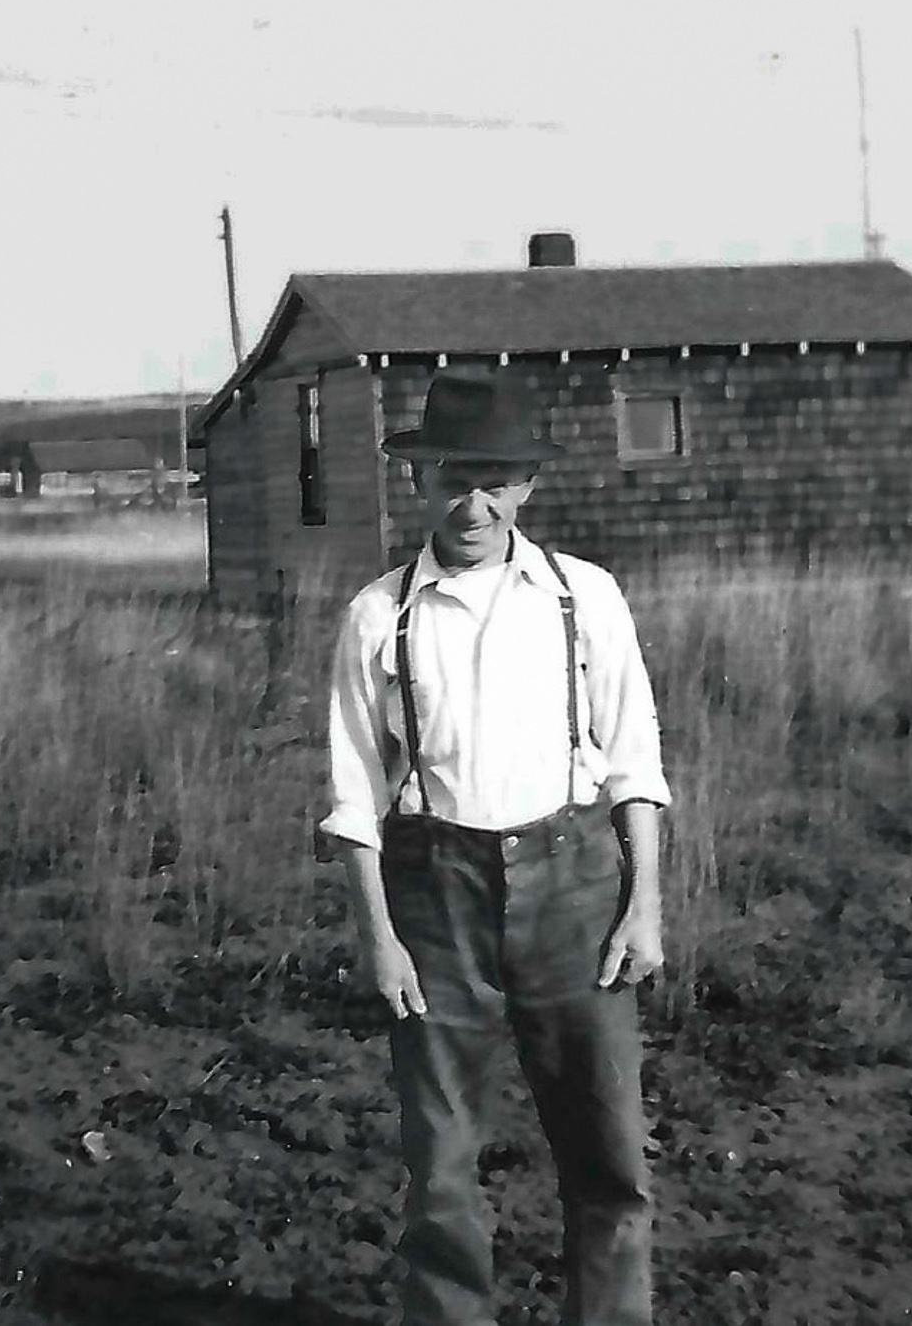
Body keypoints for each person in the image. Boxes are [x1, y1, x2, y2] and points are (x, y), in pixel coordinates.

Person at [316, 368, 671, 1326]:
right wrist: (378, 935)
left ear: (526, 486)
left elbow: (634, 761)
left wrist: (643, 904)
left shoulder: (582, 596)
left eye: (495, 480)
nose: (473, 503)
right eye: (453, 476)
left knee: (608, 1154)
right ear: (421, 477)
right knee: (440, 1164)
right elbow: (352, 795)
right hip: (434, 898)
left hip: (572, 888)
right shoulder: (376, 615)